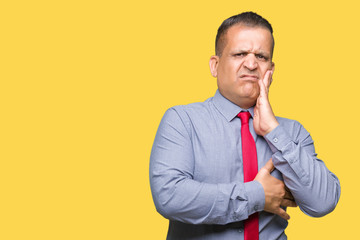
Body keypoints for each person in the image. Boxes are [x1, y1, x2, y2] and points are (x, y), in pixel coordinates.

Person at [149, 12, 340, 240]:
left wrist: (273, 131)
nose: (251, 64)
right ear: (215, 65)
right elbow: (169, 197)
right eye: (240, 54)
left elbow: (323, 202)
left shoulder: (292, 132)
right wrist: (257, 195)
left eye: (261, 56)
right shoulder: (182, 121)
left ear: (271, 70)